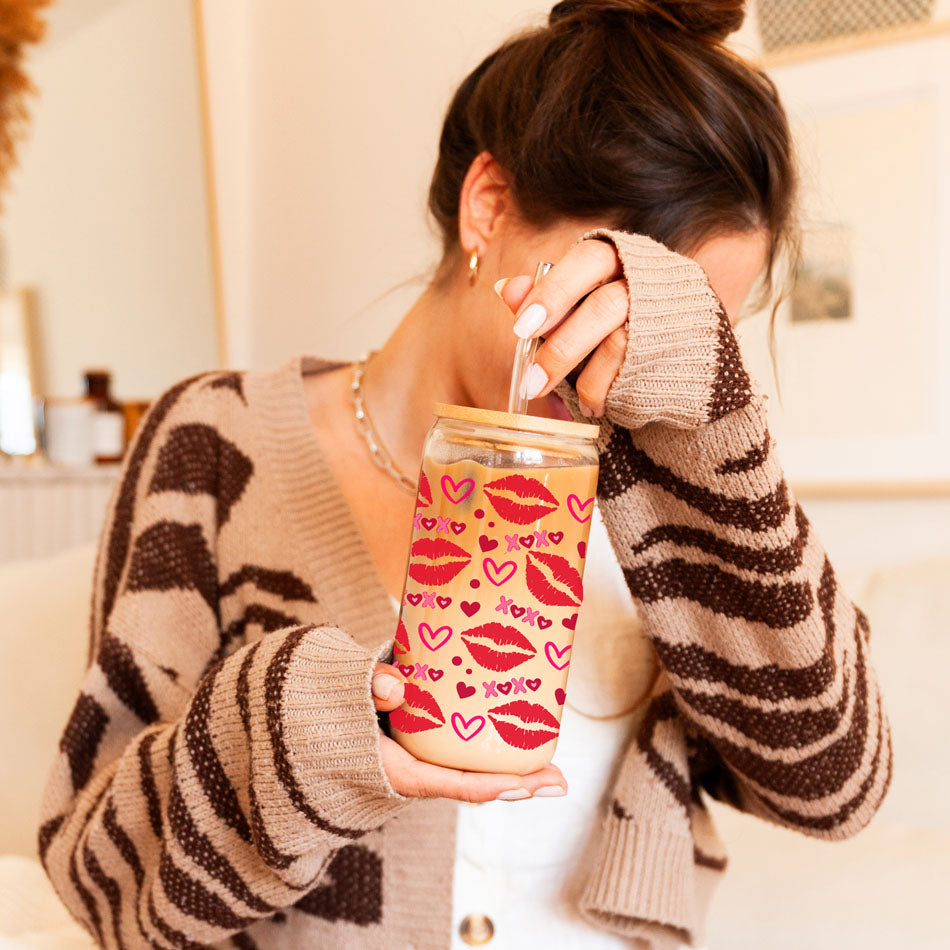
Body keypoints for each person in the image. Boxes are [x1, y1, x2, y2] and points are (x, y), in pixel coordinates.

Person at [37, 1, 892, 948]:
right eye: (606, 307)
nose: (622, 377)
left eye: (685, 340)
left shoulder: (672, 501)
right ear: (488, 203)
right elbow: (101, 891)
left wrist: (711, 421)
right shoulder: (217, 446)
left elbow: (836, 788)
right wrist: (304, 742)